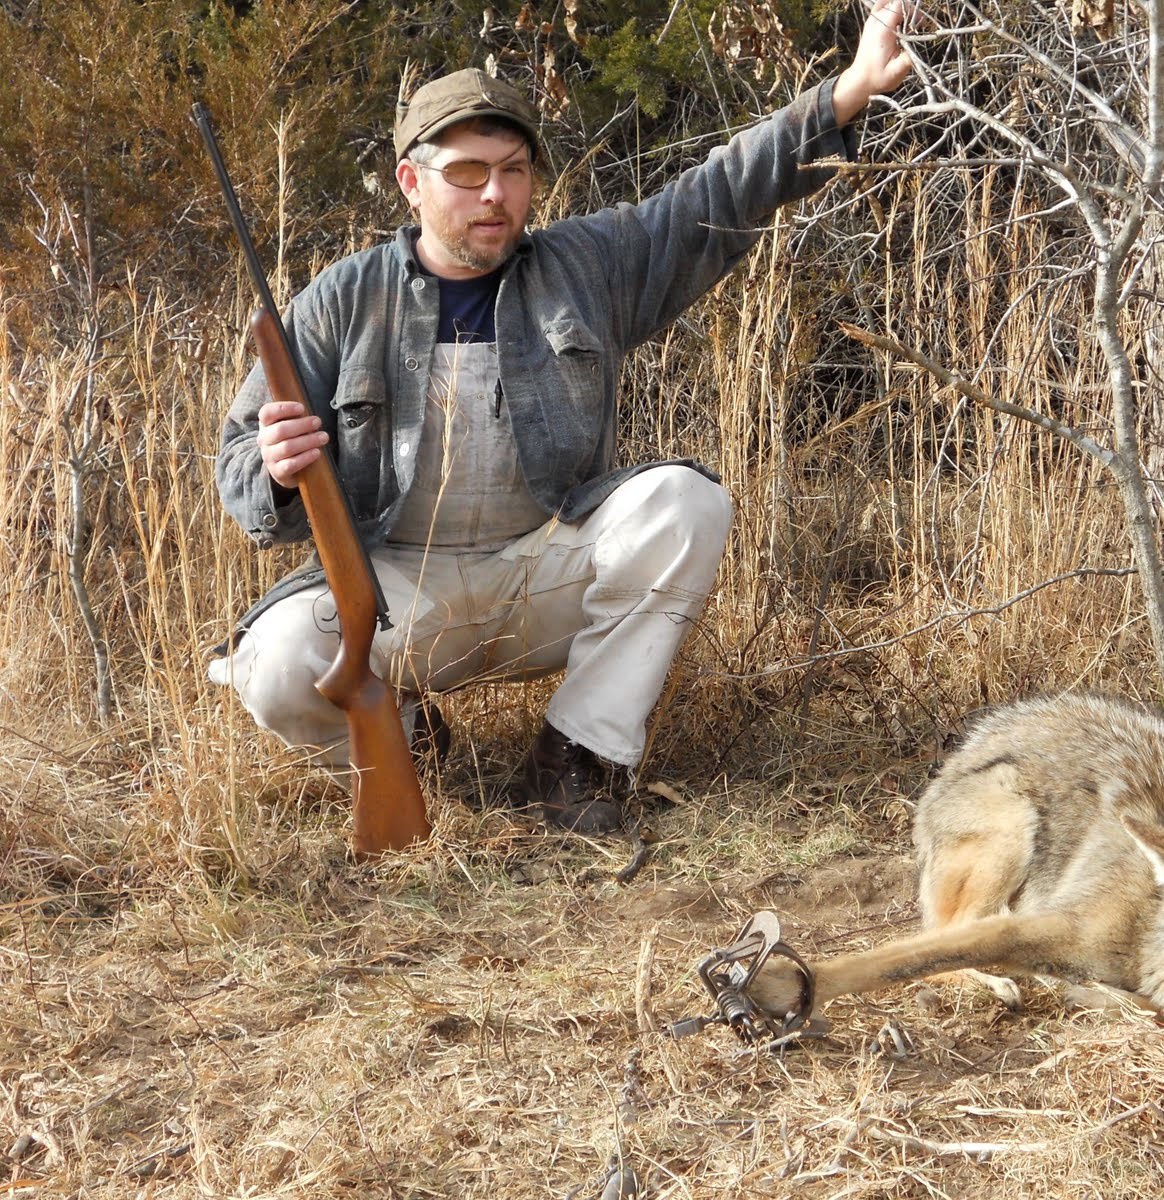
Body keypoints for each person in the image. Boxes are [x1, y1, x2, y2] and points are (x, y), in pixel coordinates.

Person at [208, 1, 912, 833]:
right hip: (402, 595)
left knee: (687, 503)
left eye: (513, 169)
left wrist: (849, 92)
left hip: (549, 566)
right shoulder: (340, 300)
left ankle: (571, 761)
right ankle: (415, 752)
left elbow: (718, 191)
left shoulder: (590, 263)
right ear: (412, 180)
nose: (495, 195)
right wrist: (279, 469)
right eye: (467, 172)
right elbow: (240, 459)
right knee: (277, 663)